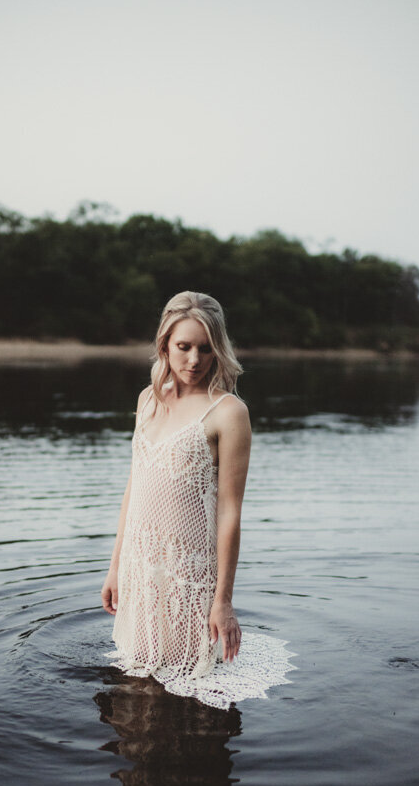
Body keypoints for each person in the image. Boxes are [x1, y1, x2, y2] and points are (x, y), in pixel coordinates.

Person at [102, 291, 295, 710]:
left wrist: (223, 601)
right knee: (138, 686)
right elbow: (134, 488)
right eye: (183, 347)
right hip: (140, 565)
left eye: (205, 348)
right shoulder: (147, 401)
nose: (194, 360)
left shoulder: (229, 413)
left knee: (188, 696)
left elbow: (229, 513)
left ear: (219, 349)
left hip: (188, 574)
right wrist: (116, 566)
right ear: (164, 346)